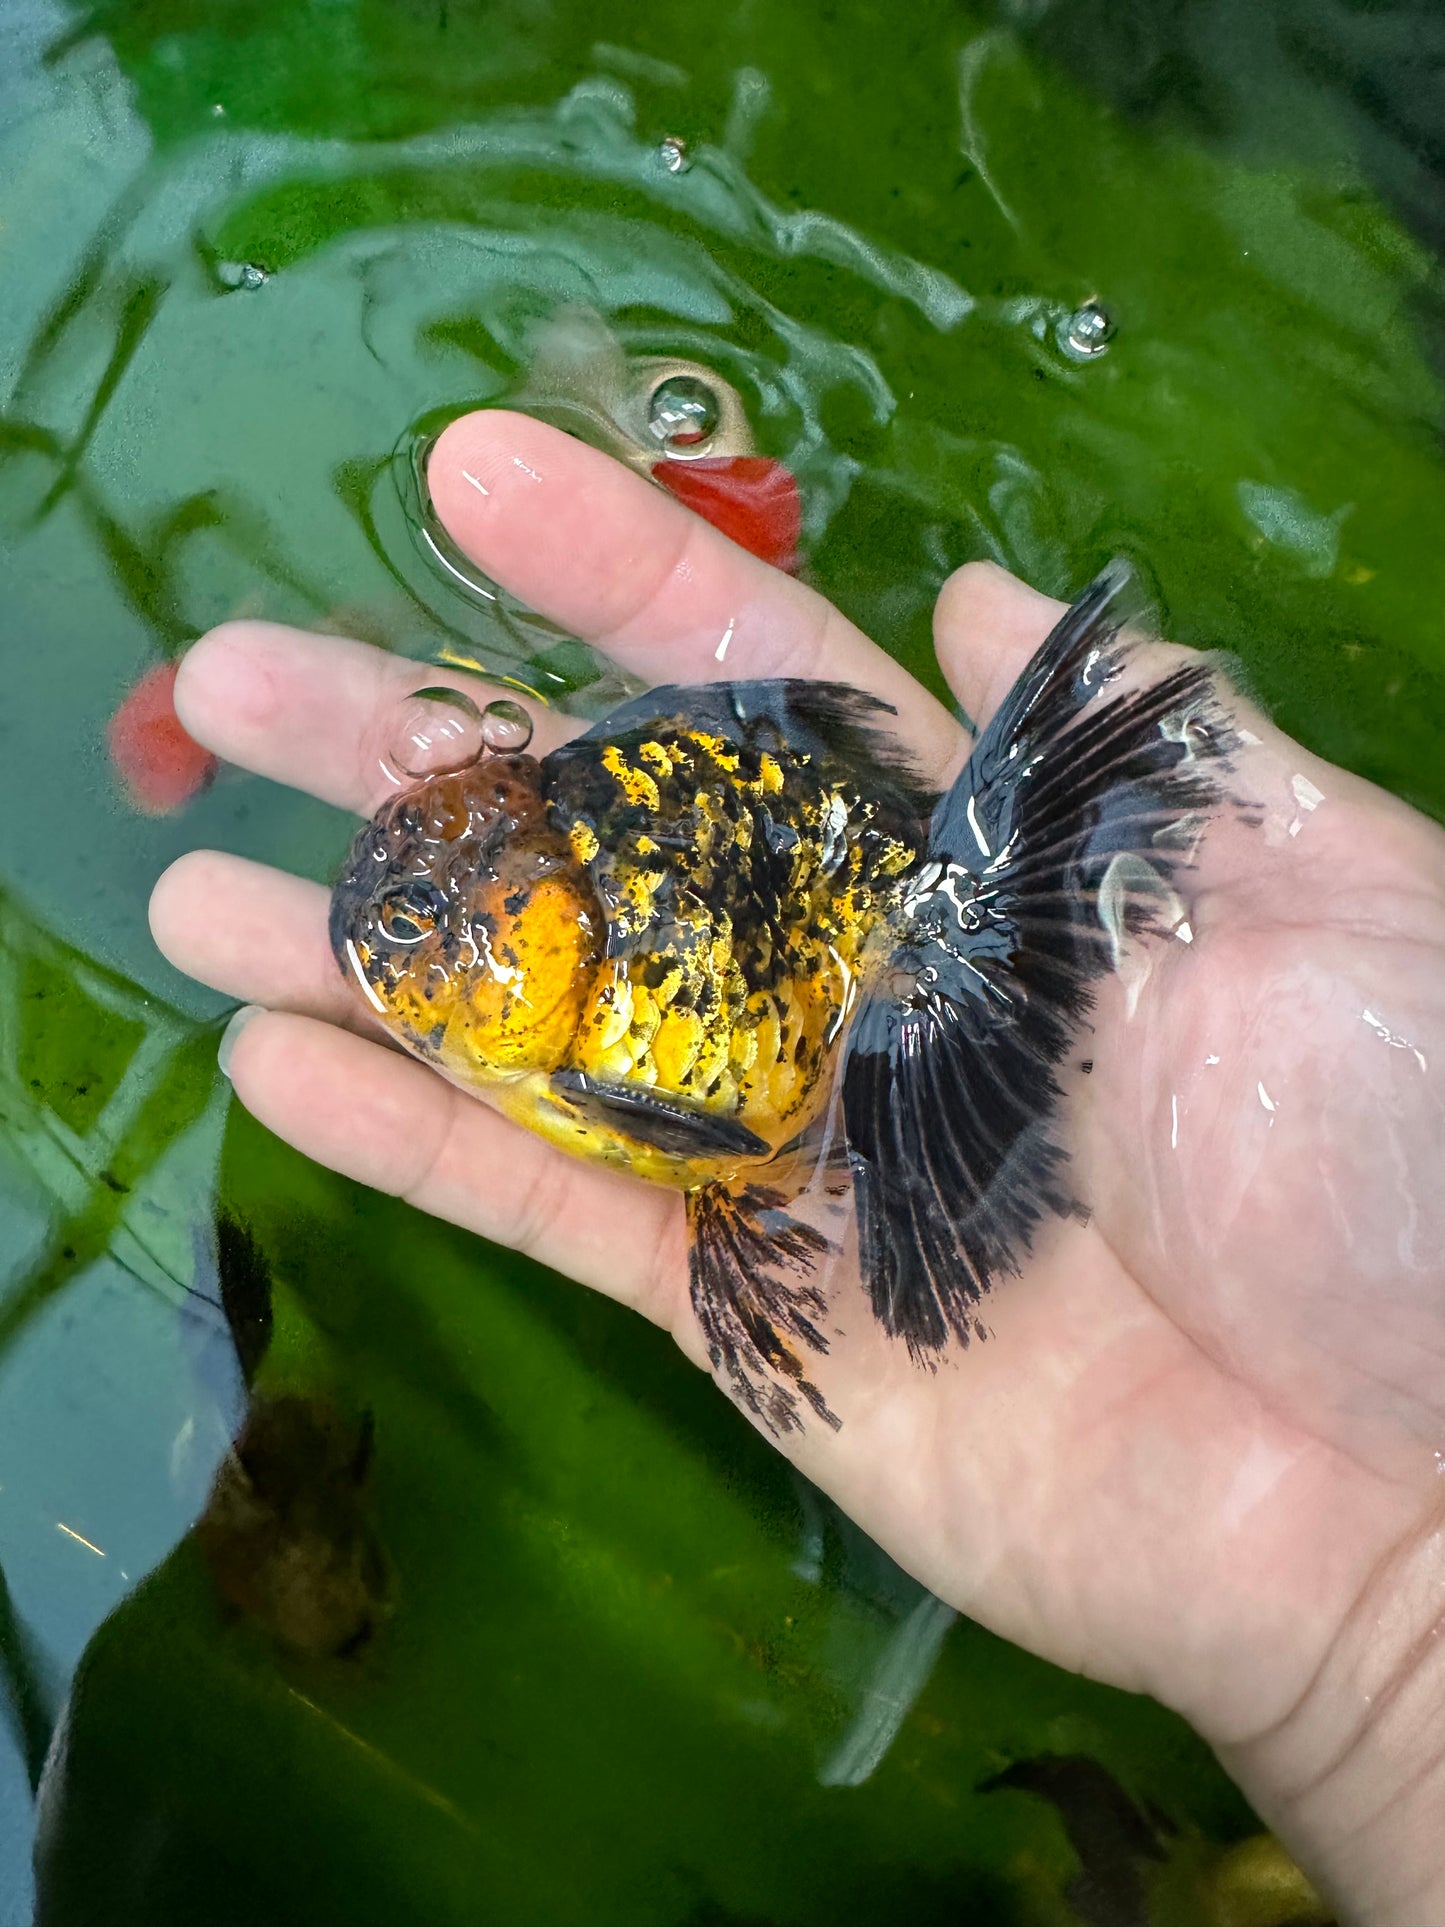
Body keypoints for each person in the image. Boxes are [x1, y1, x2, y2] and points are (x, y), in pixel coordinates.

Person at [149, 410, 1445, 1926]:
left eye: (438, 940)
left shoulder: (594, 982)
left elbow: (705, 1136)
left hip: (833, 978)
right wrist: (1385, 1658)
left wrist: (1395, 1633)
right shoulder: (548, 974)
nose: (398, 963)